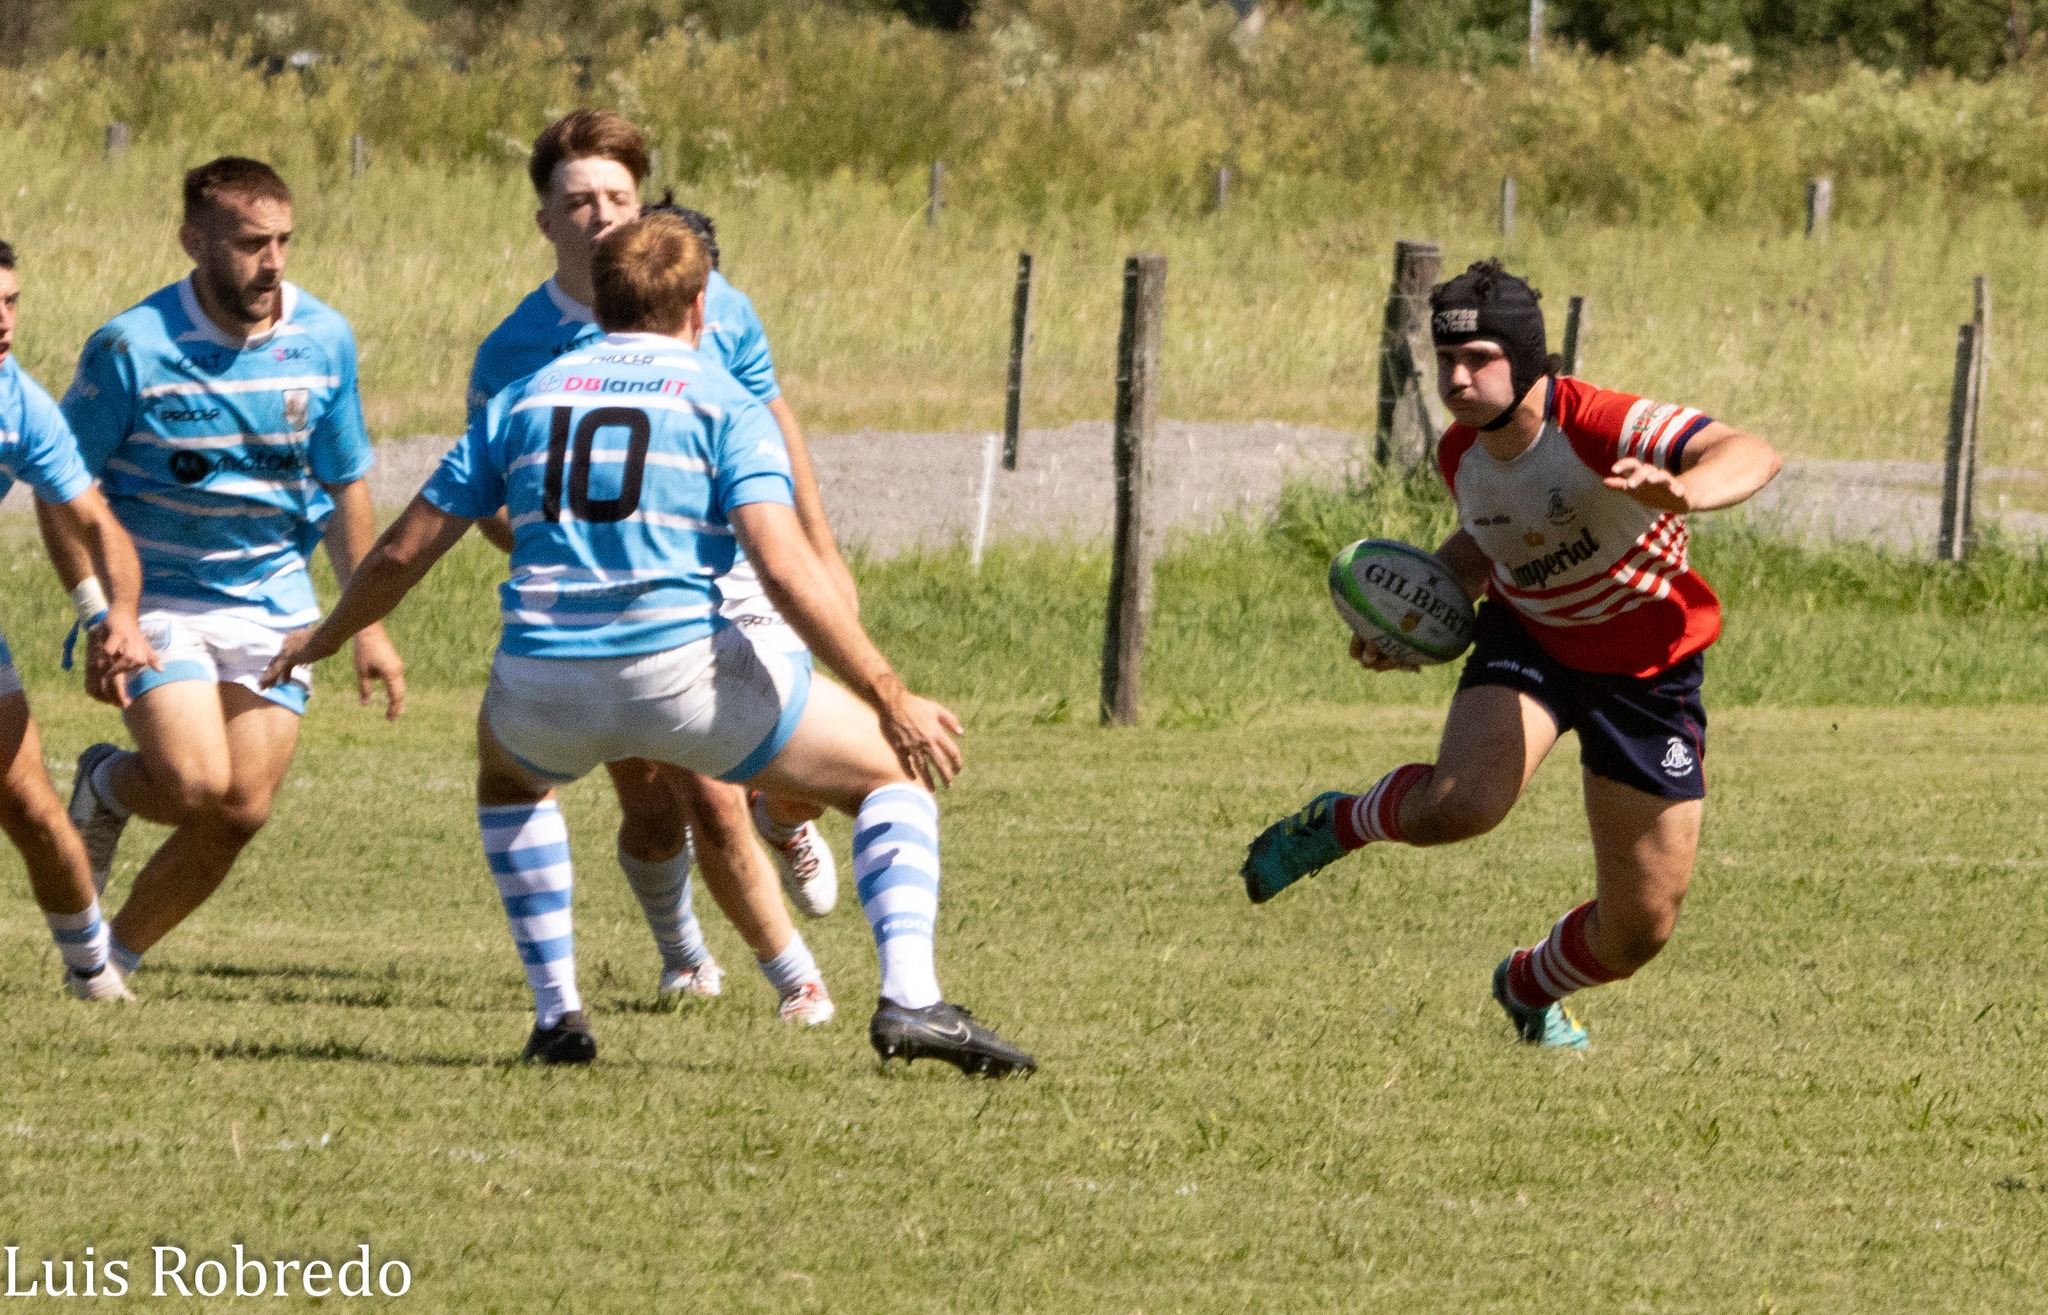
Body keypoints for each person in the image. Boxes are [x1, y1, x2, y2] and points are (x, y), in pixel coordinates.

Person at [268, 214, 1035, 1074]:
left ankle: (560, 1015)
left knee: (510, 777)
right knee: (889, 778)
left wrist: (324, 638)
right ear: (700, 306)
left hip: (543, 676)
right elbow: (781, 569)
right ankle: (911, 999)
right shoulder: (725, 402)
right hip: (684, 676)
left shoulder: (526, 395)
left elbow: (405, 549)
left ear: (599, 304)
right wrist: (890, 694)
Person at [1241, 259, 1782, 1050]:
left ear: (1526, 357)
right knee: (1462, 804)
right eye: (1445, 361)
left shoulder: (1600, 422)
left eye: (1477, 359)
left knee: (1641, 928)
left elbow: (1752, 451)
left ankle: (1529, 985)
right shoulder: (1462, 453)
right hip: (1531, 638)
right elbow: (1491, 540)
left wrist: (1686, 488)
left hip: (1648, 673)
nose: (1456, 379)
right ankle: (1343, 820)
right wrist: (1412, 616)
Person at [463, 111, 844, 1026]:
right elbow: (486, 498)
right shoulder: (513, 350)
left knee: (780, 770)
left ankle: (788, 848)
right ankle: (703, 958)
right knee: (663, 794)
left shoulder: (718, 303)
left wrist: (823, 556)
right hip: (599, 597)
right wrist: (571, 547)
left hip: (735, 564)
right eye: (579, 200)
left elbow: (773, 427)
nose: (601, 216)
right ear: (545, 218)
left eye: (618, 198)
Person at [48, 157, 404, 977]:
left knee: (241, 809)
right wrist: (106, 612)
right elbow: (66, 491)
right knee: (190, 783)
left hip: (273, 600)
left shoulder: (323, 339)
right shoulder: (130, 346)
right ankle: (107, 783)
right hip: (159, 595)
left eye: (283, 241)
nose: (272, 261)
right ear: (193, 242)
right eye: (250, 243)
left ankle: (108, 964)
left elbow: (347, 486)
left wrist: (366, 625)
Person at [0, 240, 160, 1000]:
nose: (4, 321)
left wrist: (113, 614)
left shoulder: (20, 402)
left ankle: (93, 972)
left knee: (29, 804)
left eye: (11, 301)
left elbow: (96, 522)